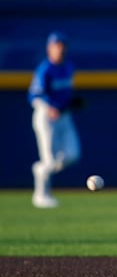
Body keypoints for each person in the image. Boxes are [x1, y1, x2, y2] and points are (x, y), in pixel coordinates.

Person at [28, 31, 82, 208]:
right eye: (56, 45)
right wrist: (48, 107)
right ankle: (41, 195)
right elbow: (34, 96)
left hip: (64, 116)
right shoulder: (45, 69)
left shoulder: (68, 67)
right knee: (49, 158)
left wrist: (70, 102)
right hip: (46, 117)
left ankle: (41, 169)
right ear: (49, 48)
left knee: (73, 154)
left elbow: (65, 92)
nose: (60, 48)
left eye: (62, 45)